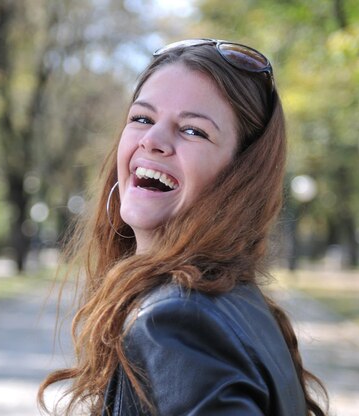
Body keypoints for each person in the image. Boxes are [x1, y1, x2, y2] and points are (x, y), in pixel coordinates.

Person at [38, 38, 328, 415]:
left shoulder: (178, 318)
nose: (153, 140)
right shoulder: (229, 302)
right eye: (142, 118)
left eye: (193, 130)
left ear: (241, 174)